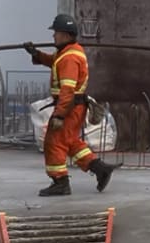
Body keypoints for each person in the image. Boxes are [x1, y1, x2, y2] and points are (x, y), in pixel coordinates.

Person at [24, 14, 120, 196]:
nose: (53, 36)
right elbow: (53, 62)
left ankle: (60, 182)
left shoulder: (69, 58)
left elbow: (67, 89)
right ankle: (100, 169)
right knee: (70, 141)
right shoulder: (68, 53)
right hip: (74, 107)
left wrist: (59, 115)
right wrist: (36, 54)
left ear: (66, 35)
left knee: (54, 142)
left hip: (69, 107)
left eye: (56, 32)